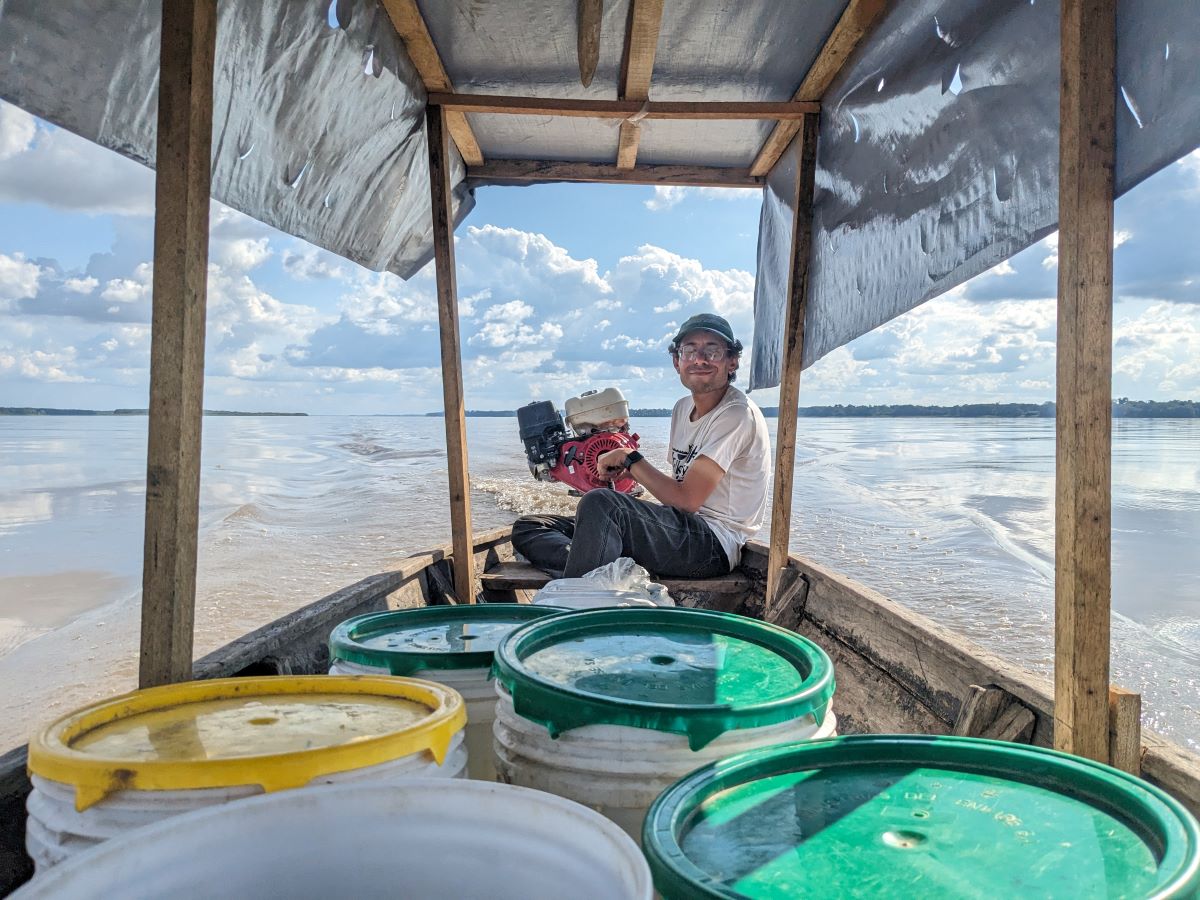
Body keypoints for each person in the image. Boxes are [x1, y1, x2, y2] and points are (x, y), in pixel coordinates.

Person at [512, 313, 771, 580]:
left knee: (601, 504)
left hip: (712, 546)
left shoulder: (736, 414)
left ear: (732, 361)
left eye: (713, 351)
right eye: (690, 350)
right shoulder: (683, 409)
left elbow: (687, 500)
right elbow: (678, 489)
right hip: (679, 529)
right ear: (676, 362)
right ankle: (601, 566)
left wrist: (630, 459)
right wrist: (630, 471)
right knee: (530, 527)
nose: (699, 359)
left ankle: (580, 594)